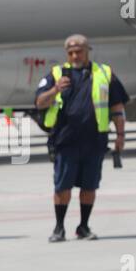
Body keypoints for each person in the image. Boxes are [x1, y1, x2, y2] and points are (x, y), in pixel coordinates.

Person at [34, 34, 128, 242]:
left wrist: (120, 135)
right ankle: (59, 228)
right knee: (62, 187)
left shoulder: (104, 73)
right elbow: (39, 102)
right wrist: (55, 89)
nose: (75, 55)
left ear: (87, 51)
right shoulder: (56, 74)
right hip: (65, 141)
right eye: (71, 52)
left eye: (79, 51)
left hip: (95, 141)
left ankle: (83, 227)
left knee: (90, 186)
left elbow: (117, 107)